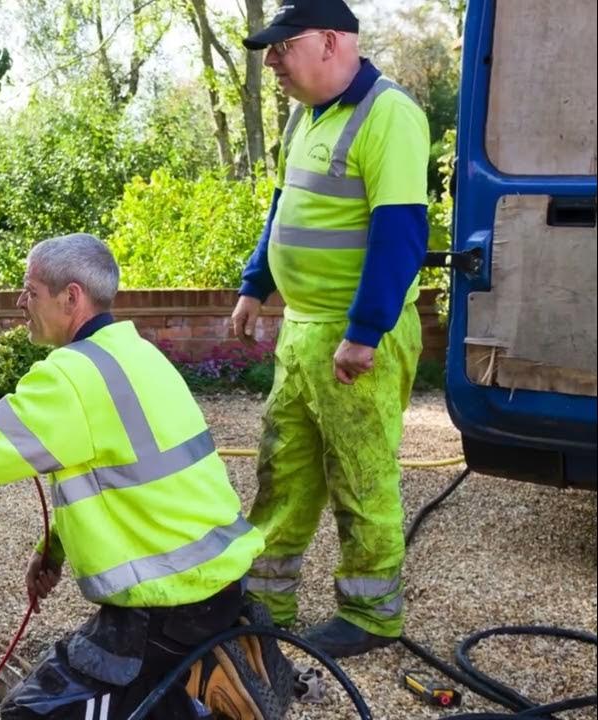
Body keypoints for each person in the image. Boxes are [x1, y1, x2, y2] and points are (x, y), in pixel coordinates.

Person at [0, 233, 293, 719]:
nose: (20, 303)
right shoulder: (140, 356)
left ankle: (194, 681)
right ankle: (197, 676)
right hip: (218, 586)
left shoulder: (73, 376)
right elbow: (126, 482)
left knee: (30, 714)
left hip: (167, 608)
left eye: (29, 291)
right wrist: (52, 549)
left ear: (71, 297)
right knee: (140, 701)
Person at [231, 0, 430, 658]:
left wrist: (367, 332)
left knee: (361, 475)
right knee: (283, 470)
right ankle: (264, 601)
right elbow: (284, 208)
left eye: (283, 47)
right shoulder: (302, 117)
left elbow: (400, 234)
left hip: (354, 338)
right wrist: (256, 285)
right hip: (304, 331)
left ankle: (371, 617)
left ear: (329, 42)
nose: (272, 60)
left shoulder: (389, 115)